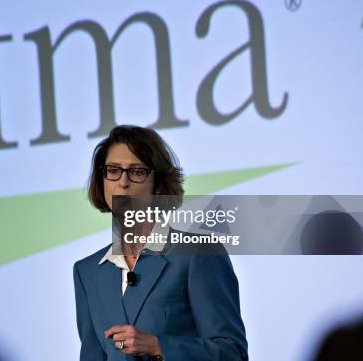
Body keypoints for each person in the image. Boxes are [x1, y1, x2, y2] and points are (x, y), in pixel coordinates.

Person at [73, 125, 248, 360]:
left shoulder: (198, 252)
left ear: (158, 184)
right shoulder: (88, 272)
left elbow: (232, 353)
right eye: (113, 170)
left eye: (136, 171)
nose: (123, 182)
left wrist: (159, 346)